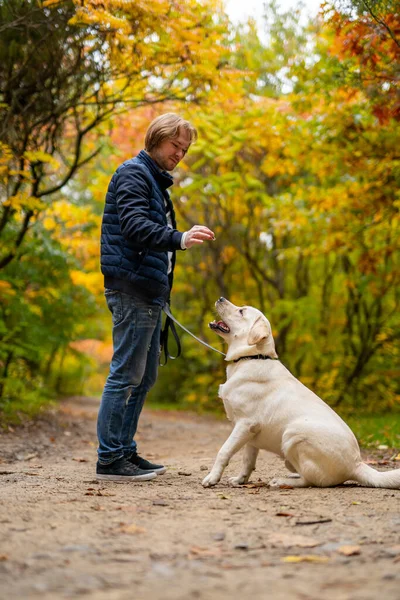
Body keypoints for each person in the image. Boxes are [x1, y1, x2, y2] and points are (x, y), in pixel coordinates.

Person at [96, 113, 215, 482]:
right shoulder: (133, 173)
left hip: (148, 293)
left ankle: (124, 450)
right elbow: (133, 227)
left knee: (143, 377)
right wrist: (179, 237)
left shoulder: (154, 182)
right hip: (131, 288)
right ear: (156, 138)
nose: (179, 153)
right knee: (125, 374)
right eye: (174, 145)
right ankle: (110, 458)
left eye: (184, 148)